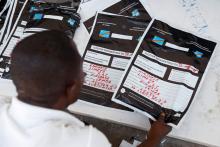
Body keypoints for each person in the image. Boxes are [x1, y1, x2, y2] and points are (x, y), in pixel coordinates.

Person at [0, 30, 171, 147]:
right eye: (81, 72)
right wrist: (154, 138)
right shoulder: (86, 140)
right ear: (71, 88)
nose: (84, 75)